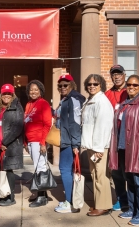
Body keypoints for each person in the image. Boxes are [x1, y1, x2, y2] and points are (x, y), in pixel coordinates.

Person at [105, 64, 139, 211]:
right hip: (116, 140)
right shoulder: (108, 94)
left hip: (133, 142)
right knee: (117, 174)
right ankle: (122, 200)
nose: (117, 76)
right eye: (114, 74)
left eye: (119, 73)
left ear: (124, 75)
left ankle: (138, 209)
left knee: (134, 176)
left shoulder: (136, 91)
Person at [81, 74, 114, 216]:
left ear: (101, 85)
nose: (92, 86)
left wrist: (99, 149)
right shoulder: (91, 100)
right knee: (95, 174)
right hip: (91, 146)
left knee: (101, 176)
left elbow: (103, 126)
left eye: (95, 84)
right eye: (89, 84)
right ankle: (98, 202)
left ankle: (104, 206)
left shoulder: (102, 101)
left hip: (98, 147)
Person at [54, 74, 85, 213]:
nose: (62, 87)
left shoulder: (74, 99)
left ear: (71, 85)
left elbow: (76, 123)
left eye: (65, 85)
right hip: (66, 139)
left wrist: (75, 144)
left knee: (65, 169)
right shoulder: (66, 99)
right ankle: (71, 200)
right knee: (68, 170)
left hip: (69, 141)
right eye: (60, 85)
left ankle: (70, 203)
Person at [0, 84, 24, 206]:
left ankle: (10, 197)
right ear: (1, 94)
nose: (7, 96)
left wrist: (5, 142)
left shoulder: (17, 107)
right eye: (4, 93)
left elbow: (17, 128)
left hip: (9, 146)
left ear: (13, 94)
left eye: (9, 94)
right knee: (0, 170)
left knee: (8, 170)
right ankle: (1, 193)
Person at [24, 80, 52, 208]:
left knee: (40, 167)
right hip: (30, 141)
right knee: (37, 166)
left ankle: (41, 197)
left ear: (40, 90)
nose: (33, 92)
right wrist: (25, 142)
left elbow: (47, 124)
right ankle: (42, 194)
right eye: (31, 90)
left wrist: (42, 143)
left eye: (36, 89)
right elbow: (25, 123)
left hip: (38, 140)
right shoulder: (29, 104)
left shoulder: (43, 104)